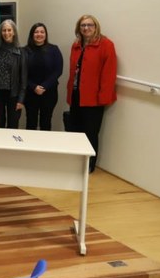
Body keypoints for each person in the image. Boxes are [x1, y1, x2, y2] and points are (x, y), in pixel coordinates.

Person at [66, 14, 117, 173]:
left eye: (90, 25)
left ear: (96, 27)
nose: (86, 28)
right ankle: (76, 162)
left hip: (93, 98)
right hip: (76, 95)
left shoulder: (106, 45)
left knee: (91, 132)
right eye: (83, 25)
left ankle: (89, 165)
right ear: (79, 28)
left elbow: (109, 74)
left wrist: (103, 98)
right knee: (75, 130)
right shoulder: (76, 45)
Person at [0, 19, 27, 129]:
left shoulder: (21, 52)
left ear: (14, 32)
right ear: (0, 33)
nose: (6, 33)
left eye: (9, 30)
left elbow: (24, 78)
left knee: (13, 124)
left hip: (13, 94)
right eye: (4, 30)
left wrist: (21, 99)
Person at [25, 22, 63, 130]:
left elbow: (58, 70)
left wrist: (44, 86)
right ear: (32, 34)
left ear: (45, 34)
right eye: (36, 32)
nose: (39, 34)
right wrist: (34, 87)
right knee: (30, 122)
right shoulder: (24, 51)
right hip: (30, 92)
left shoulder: (54, 49)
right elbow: (21, 73)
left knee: (46, 122)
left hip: (49, 92)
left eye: (42, 32)